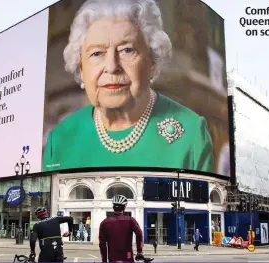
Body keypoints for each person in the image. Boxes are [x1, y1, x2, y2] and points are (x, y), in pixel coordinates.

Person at [43, 0, 215, 173]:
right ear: (81, 68)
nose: (111, 66)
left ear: (152, 62)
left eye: (127, 50)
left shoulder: (191, 133)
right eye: (97, 53)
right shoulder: (59, 140)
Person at [99, 195, 144, 262]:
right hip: (127, 258)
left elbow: (102, 244)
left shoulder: (104, 223)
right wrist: (139, 252)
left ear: (113, 207)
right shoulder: (130, 220)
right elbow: (139, 234)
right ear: (124, 207)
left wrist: (104, 260)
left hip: (112, 259)